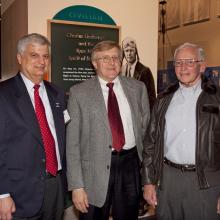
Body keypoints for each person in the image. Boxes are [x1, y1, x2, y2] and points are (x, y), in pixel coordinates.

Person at [66, 40, 150, 220]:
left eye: (115, 58)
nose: (112, 63)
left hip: (130, 165)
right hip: (93, 171)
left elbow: (146, 134)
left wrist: (148, 177)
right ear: (94, 63)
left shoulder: (138, 88)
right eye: (105, 58)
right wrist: (77, 186)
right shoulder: (78, 93)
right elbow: (72, 144)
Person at [142, 42, 220, 220]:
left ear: (202, 65)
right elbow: (150, 144)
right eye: (178, 62)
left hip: (206, 183)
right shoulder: (163, 100)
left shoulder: (217, 98)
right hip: (168, 181)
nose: (183, 67)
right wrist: (148, 182)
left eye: (189, 62)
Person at [0, 33, 67, 220]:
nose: (41, 61)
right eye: (34, 55)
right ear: (20, 58)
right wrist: (2, 194)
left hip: (55, 186)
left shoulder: (57, 93)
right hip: (18, 192)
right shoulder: (4, 94)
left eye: (45, 56)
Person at [122, 37, 156, 111]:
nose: (129, 53)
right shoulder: (121, 71)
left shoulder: (145, 71)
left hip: (140, 115)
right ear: (123, 53)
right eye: (126, 51)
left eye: (131, 50)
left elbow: (151, 99)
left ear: (136, 51)